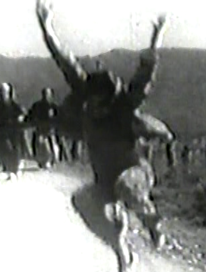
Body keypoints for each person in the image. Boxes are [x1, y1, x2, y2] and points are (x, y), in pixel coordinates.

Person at [36, 0, 173, 267]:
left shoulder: (123, 105)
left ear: (109, 99)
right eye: (91, 103)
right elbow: (64, 60)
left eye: (100, 103)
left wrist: (156, 36)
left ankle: (153, 223)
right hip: (105, 180)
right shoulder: (85, 93)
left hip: (135, 172)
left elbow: (144, 75)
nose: (94, 108)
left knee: (127, 186)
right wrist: (46, 26)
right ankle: (119, 245)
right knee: (82, 202)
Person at [28, 87, 59, 169]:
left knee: (52, 145)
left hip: (50, 130)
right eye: (45, 94)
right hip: (40, 129)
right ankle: (42, 161)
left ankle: (52, 161)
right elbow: (31, 116)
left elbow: (59, 117)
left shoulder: (54, 107)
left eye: (48, 94)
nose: (46, 96)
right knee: (41, 146)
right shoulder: (37, 106)